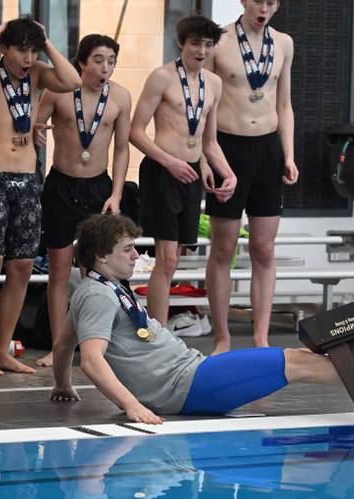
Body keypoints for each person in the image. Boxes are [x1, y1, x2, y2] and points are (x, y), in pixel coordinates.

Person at [62, 214, 354, 423]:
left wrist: (61, 384)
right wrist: (132, 406)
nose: (135, 256)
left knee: (303, 358)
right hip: (187, 385)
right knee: (299, 363)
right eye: (127, 249)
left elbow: (66, 341)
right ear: (99, 257)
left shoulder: (95, 290)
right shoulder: (97, 295)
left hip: (195, 374)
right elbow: (93, 359)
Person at [0, 16, 80, 376]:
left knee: (23, 266)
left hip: (28, 178)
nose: (27, 58)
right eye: (21, 50)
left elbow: (73, 81)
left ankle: (2, 350)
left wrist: (44, 43)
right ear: (4, 49)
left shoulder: (37, 75)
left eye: (32, 50)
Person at [203, 0, 298, 354]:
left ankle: (261, 338)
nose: (264, 8)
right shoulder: (220, 41)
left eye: (271, 2)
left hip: (268, 150)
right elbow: (205, 104)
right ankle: (222, 336)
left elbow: (284, 104)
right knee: (223, 247)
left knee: (264, 248)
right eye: (258, 1)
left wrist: (288, 154)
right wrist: (203, 158)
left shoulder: (284, 43)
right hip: (227, 148)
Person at [32, 34, 131, 371]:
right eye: (100, 60)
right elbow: (33, 123)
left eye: (112, 61)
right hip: (61, 185)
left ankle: (95, 344)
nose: (106, 68)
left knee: (97, 271)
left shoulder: (120, 98)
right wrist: (36, 130)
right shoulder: (59, 91)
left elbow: (121, 149)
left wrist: (116, 193)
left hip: (98, 188)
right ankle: (58, 346)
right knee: (59, 270)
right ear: (83, 62)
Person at [129, 15, 236, 328]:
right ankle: (158, 333)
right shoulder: (162, 77)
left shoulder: (213, 84)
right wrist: (169, 162)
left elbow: (210, 141)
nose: (201, 50)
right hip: (163, 171)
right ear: (181, 43)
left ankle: (159, 327)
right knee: (167, 258)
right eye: (195, 43)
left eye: (207, 44)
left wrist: (228, 173)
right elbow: (136, 132)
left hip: (189, 173)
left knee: (177, 257)